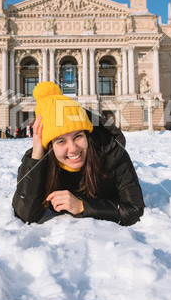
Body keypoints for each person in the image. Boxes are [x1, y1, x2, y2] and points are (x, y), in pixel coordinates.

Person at [12, 82, 145, 226]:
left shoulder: (112, 152)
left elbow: (134, 209)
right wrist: (37, 153)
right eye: (61, 141)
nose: (73, 149)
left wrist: (82, 206)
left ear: (87, 135)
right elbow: (25, 215)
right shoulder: (40, 160)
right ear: (50, 146)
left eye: (78, 136)